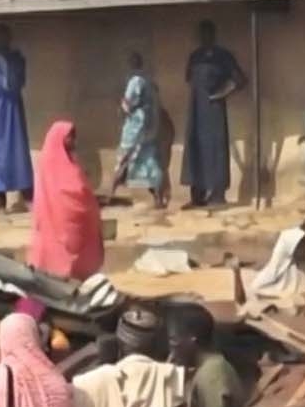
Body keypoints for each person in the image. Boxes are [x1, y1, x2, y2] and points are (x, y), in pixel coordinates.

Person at [182, 22, 248, 209]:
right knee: (195, 147)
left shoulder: (222, 56)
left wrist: (220, 94)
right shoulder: (195, 56)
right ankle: (197, 196)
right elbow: (188, 78)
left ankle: (218, 195)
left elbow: (240, 80)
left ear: (213, 34)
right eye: (201, 33)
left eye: (207, 33)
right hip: (196, 109)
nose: (204, 37)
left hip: (214, 111)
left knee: (216, 149)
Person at [27, 122, 103, 282]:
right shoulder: (49, 162)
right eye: (70, 137)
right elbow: (63, 191)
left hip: (73, 224)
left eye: (74, 137)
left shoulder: (70, 162)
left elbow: (80, 190)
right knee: (56, 259)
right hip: (56, 218)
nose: (73, 142)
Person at [0, 25, 32, 213]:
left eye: (5, 36)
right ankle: (0, 204)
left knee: (18, 153)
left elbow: (20, 81)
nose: (2, 40)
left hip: (13, 110)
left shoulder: (17, 59)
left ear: (10, 38)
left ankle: (28, 199)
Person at [110, 53, 168, 210]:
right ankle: (158, 198)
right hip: (149, 126)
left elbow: (128, 104)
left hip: (136, 126)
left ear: (131, 64)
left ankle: (111, 194)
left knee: (124, 157)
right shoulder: (148, 80)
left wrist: (121, 105)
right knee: (149, 161)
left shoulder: (135, 81)